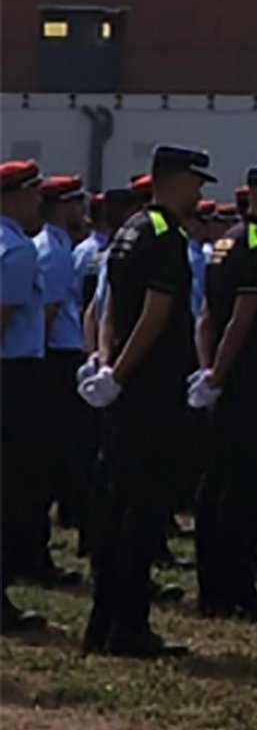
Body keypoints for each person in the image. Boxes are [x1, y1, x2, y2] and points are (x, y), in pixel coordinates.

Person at [83, 146, 214, 657]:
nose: (200, 192)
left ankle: (104, 621)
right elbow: (156, 314)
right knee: (142, 511)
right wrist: (122, 368)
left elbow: (111, 304)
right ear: (170, 180)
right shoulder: (163, 236)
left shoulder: (130, 229)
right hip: (152, 392)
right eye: (194, 181)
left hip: (125, 391)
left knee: (115, 507)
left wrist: (108, 366)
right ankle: (129, 626)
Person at [189, 163, 257, 621]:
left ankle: (214, 587)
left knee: (217, 487)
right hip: (248, 382)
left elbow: (207, 318)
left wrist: (208, 371)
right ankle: (236, 589)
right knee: (241, 490)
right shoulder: (256, 244)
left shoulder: (223, 243)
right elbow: (241, 315)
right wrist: (220, 372)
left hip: (226, 383)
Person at [32, 175, 90, 588]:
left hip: (61, 356)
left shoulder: (61, 244)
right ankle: (33, 553)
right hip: (54, 360)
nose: (81, 210)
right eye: (76, 203)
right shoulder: (51, 250)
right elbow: (48, 315)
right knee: (49, 458)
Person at [0, 160, 47, 634]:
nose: (40, 204)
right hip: (13, 376)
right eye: (34, 194)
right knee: (11, 488)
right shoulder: (16, 250)